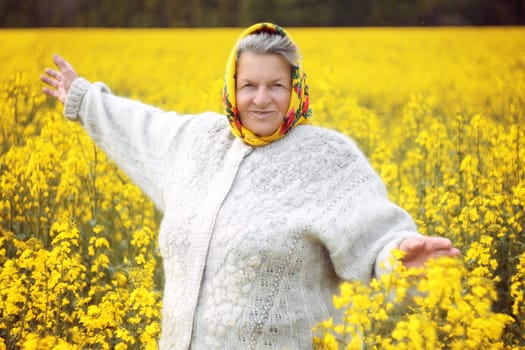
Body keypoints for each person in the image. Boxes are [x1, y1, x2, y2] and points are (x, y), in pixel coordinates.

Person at [40, 23, 460, 350]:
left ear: (295, 88)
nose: (261, 99)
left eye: (276, 85)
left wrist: (398, 256)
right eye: (249, 85)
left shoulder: (328, 159)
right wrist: (84, 99)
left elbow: (376, 235)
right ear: (232, 87)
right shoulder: (197, 140)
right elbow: (142, 128)